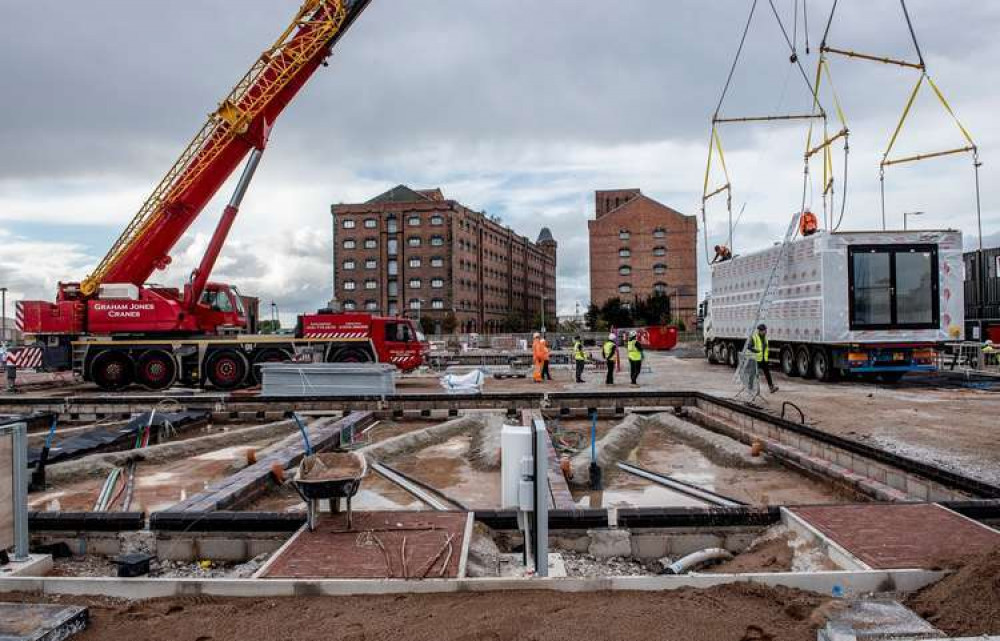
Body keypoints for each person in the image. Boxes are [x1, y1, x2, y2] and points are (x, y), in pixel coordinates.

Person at [750, 324, 778, 394]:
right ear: (760, 331)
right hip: (757, 359)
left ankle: (771, 387)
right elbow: (749, 347)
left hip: (763, 359)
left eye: (766, 330)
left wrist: (767, 357)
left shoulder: (765, 338)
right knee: (753, 373)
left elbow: (766, 349)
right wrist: (755, 351)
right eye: (764, 330)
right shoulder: (754, 337)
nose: (765, 332)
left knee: (767, 373)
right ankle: (750, 386)